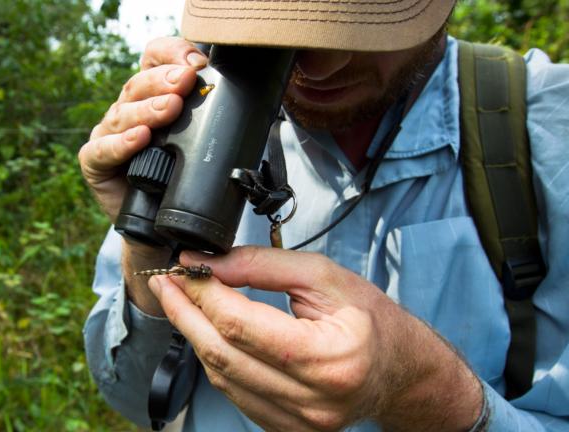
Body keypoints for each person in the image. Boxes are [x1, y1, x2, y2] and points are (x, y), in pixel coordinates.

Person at [80, 0, 569, 430]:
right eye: (279, 19)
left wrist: (425, 390)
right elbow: (138, 402)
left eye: (361, 18)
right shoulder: (200, 109)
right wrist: (145, 237)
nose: (319, 66)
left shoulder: (547, 128)